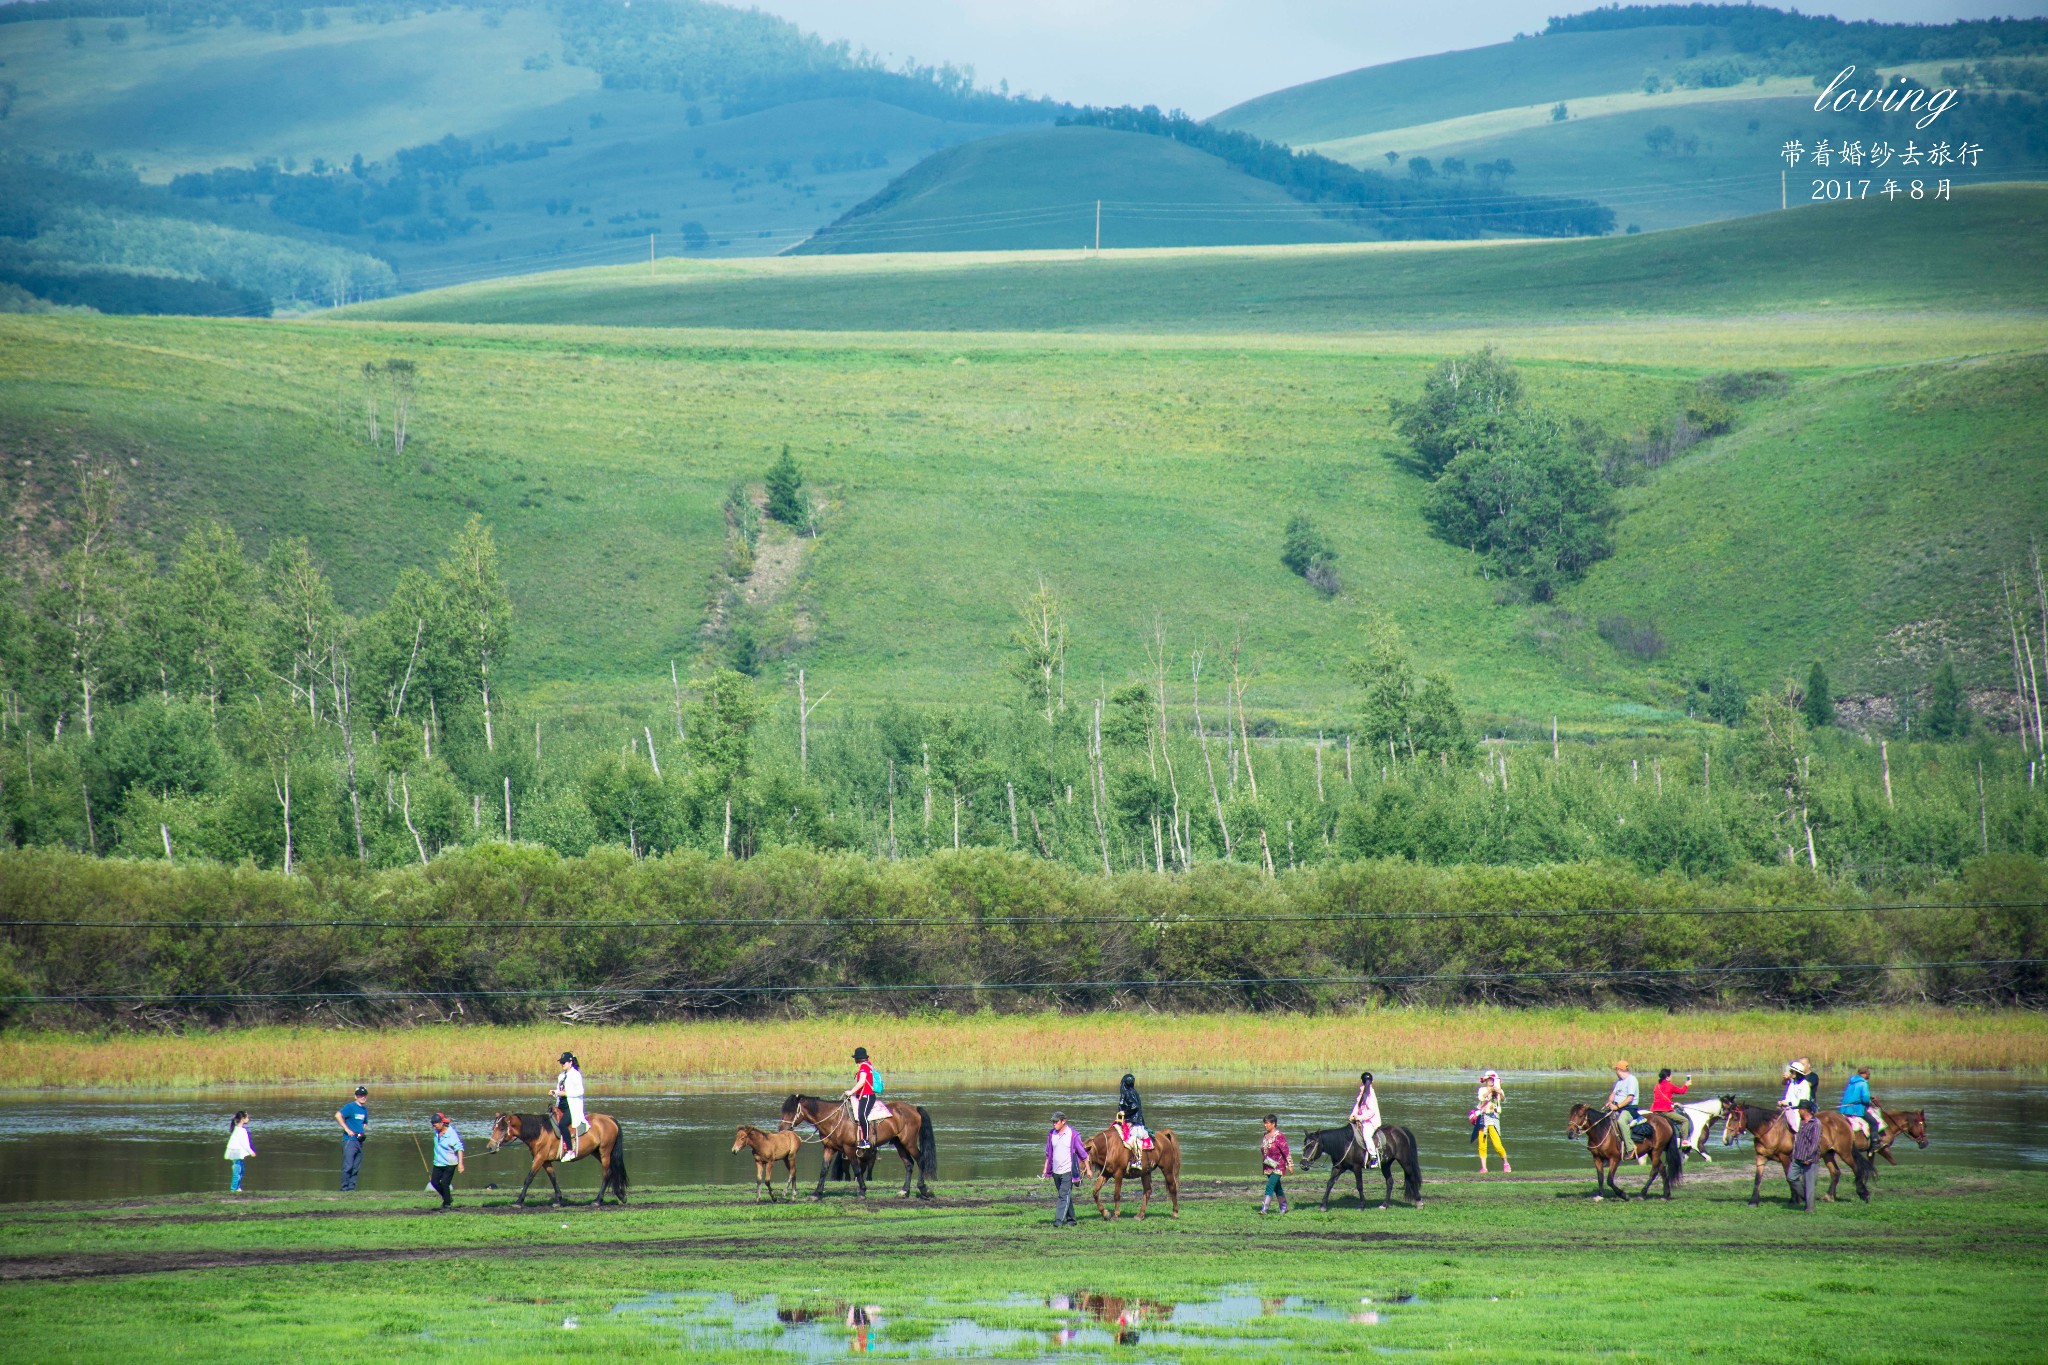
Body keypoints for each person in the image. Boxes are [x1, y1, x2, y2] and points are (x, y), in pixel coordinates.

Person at [1042, 1110, 1091, 1227]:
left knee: (1063, 1195)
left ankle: (1058, 1221)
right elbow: (1049, 1153)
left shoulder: (1073, 1135)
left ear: (1063, 1121)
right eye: (1053, 1121)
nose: (1054, 1124)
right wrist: (1045, 1169)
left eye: (1056, 1121)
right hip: (1055, 1171)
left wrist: (1088, 1169)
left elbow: (1083, 1154)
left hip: (1068, 1171)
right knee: (1065, 1195)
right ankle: (1072, 1220)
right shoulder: (1051, 1134)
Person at [1788, 1097, 1824, 1211]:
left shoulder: (1816, 1123)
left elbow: (1815, 1142)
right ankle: (1805, 1197)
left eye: (1799, 1109)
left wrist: (1808, 1157)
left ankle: (1810, 1209)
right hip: (1797, 1156)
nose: (1798, 1111)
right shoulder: (1801, 1122)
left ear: (1805, 1110)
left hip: (1810, 1159)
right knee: (1791, 1178)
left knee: (1809, 1184)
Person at [1840, 1066, 1886, 1150]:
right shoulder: (1863, 1083)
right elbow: (1864, 1099)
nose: (1869, 1075)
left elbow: (1854, 1096)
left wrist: (1869, 1097)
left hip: (1845, 1109)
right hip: (1856, 1109)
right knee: (1874, 1122)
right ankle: (1875, 1143)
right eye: (1869, 1073)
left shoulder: (1851, 1082)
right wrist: (1869, 1103)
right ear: (1864, 1073)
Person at [1473, 1071, 1509, 1174]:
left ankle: (1506, 1163)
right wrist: (1489, 1091)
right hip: (1483, 1118)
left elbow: (1503, 1099)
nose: (1490, 1081)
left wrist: (1499, 1092)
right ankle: (1484, 1167)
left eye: (1492, 1080)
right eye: (1489, 1080)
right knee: (1482, 1144)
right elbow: (1481, 1098)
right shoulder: (1482, 1089)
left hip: (1493, 1118)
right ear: (1485, 1081)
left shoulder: (1498, 1089)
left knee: (1497, 1144)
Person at [334, 1085, 368, 1191]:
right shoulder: (350, 1107)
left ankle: (352, 1188)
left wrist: (362, 1131)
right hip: (350, 1140)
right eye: (360, 1095)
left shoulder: (364, 1110)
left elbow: (364, 1123)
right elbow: (338, 1115)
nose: (362, 1097)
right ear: (355, 1096)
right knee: (348, 1165)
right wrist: (347, 1129)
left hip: (359, 1141)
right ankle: (344, 1188)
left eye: (364, 1095)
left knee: (356, 1166)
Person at [554, 1052, 586, 1162]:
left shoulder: (575, 1074)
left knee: (562, 1124)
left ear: (570, 1062)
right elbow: (560, 1091)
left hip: (572, 1107)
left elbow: (580, 1091)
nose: (562, 1064)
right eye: (561, 1062)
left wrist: (566, 1093)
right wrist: (555, 1092)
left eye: (564, 1062)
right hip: (561, 1105)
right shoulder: (561, 1076)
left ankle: (570, 1151)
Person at [428, 1112, 465, 1210]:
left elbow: (459, 1148)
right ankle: (447, 1198)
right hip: (438, 1163)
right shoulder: (436, 1132)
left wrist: (460, 1164)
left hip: (450, 1163)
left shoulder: (451, 1133)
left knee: (445, 1183)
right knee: (434, 1182)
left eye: (435, 1126)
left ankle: (447, 1204)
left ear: (441, 1123)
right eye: (433, 1126)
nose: (434, 1128)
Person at [1259, 1114, 1291, 1214]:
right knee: (1277, 1187)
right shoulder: (1265, 1135)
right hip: (1268, 1165)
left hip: (1278, 1166)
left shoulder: (1279, 1136)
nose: (1265, 1125)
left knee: (1270, 1186)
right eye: (1264, 1123)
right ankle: (1284, 1207)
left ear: (1273, 1124)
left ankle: (1264, 1208)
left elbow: (1286, 1151)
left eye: (1267, 1123)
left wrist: (1289, 1164)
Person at [846, 1047, 877, 1149]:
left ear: (857, 1059)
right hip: (863, 1095)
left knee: (862, 1115)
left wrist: (851, 1092)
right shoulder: (869, 1065)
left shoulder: (864, 1068)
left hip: (867, 1095)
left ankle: (866, 1140)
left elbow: (862, 1082)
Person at [1349, 1071, 1381, 1169]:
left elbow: (1372, 1111)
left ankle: (1374, 1157)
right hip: (1362, 1120)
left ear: (1361, 1081)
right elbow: (1358, 1105)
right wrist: (1352, 1115)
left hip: (1370, 1122)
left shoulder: (1370, 1094)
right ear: (1372, 1081)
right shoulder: (1362, 1092)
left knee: (1367, 1136)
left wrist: (1359, 1117)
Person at [1117, 1075, 1152, 1152]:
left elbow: (1134, 1106)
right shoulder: (1135, 1092)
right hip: (1139, 1122)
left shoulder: (1126, 1093)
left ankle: (1136, 1160)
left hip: (1132, 1123)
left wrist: (1124, 1113)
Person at [1779, 1058, 1815, 1133]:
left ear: (1797, 1073)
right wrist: (1782, 1102)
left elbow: (1802, 1102)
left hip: (1799, 1111)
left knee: (1796, 1129)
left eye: (1792, 1072)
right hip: (1789, 1109)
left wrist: (1788, 1103)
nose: (1790, 1073)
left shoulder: (1804, 1085)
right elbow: (1788, 1097)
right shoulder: (1792, 1083)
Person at [224, 1111, 254, 1194]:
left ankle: (237, 1187)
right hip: (235, 1152)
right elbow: (244, 1143)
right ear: (242, 1119)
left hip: (236, 1152)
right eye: (247, 1117)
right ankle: (233, 1189)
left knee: (241, 1169)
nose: (248, 1119)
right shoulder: (240, 1130)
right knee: (237, 1170)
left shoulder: (238, 1129)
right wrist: (251, 1152)